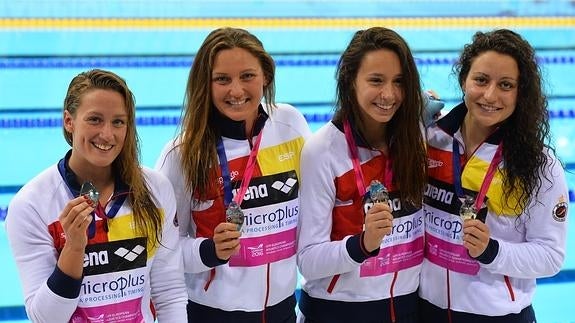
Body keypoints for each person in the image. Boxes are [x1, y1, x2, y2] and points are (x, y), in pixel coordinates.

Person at [5, 69, 188, 322]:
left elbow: (169, 293)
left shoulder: (155, 189)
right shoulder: (31, 205)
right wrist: (74, 247)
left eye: (118, 122)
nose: (107, 134)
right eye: (94, 119)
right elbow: (46, 318)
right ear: (69, 121)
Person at [155, 27, 312, 323]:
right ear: (206, 83)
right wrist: (208, 251)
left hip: (281, 309)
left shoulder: (290, 125)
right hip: (211, 313)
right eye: (222, 79)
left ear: (265, 76)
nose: (237, 91)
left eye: (247, 76)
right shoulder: (182, 154)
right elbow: (162, 253)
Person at [419, 29, 569, 322]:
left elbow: (551, 255)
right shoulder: (429, 140)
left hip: (498, 316)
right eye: (481, 80)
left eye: (505, 85)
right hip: (425, 310)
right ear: (464, 81)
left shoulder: (538, 165)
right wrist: (406, 117)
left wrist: (492, 251)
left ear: (520, 92)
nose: (490, 95)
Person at [296, 27, 428, 323]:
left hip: (408, 307)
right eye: (376, 81)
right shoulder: (323, 151)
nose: (389, 94)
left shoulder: (416, 135)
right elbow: (307, 259)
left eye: (399, 82)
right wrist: (363, 244)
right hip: (338, 311)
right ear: (350, 81)